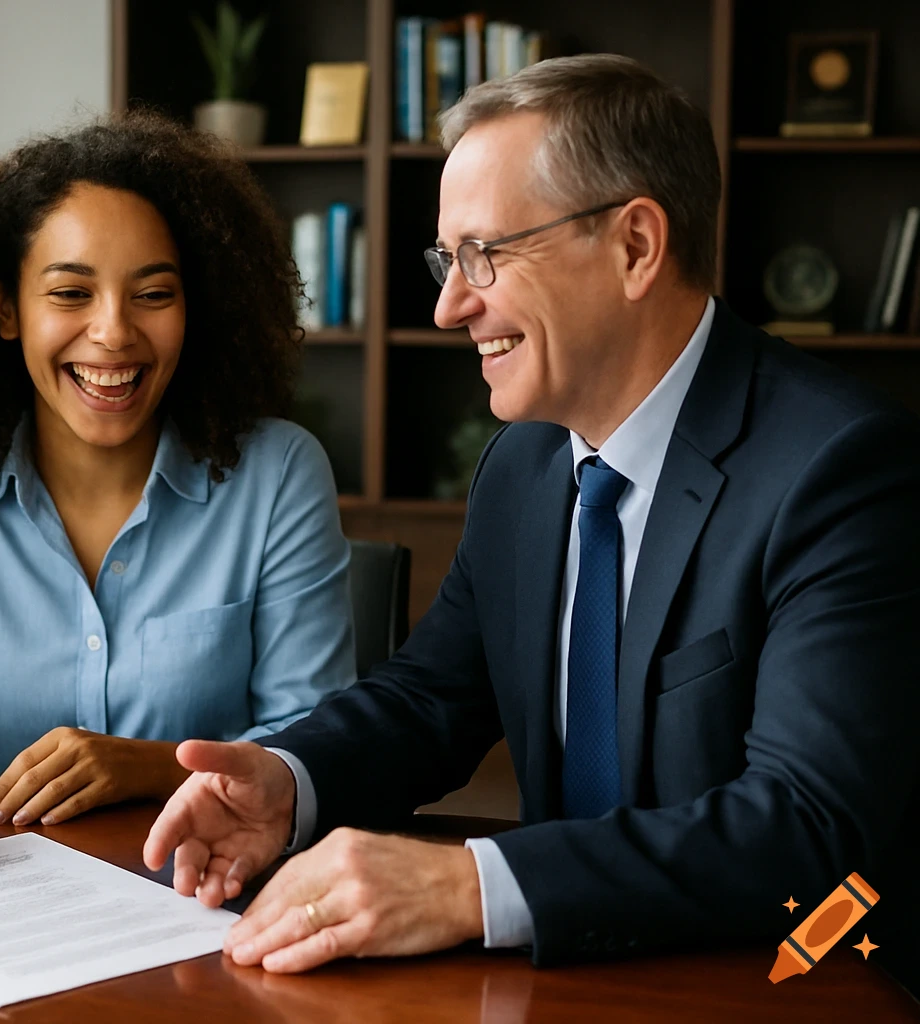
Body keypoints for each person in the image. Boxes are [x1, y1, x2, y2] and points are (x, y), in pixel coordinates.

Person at [144, 54, 920, 983]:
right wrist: (287, 781)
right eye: (448, 260)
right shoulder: (526, 462)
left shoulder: (841, 468)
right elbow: (432, 699)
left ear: (635, 246)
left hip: (785, 981)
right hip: (565, 977)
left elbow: (806, 825)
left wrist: (466, 886)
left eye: (486, 254)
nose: (448, 306)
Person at [0, 113, 355, 830]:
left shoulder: (277, 476)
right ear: (6, 308)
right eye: (70, 293)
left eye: (153, 294)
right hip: (7, 900)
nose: (114, 332)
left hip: (212, 883)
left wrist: (146, 766)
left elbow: (319, 739)